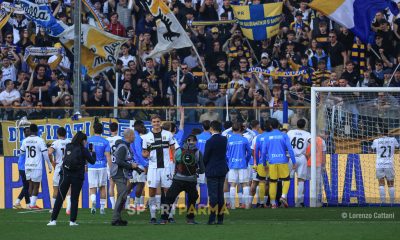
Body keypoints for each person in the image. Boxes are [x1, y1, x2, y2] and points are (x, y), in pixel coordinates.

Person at [48, 131, 96, 226]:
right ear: (82, 140)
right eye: (85, 140)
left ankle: (53, 220)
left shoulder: (68, 146)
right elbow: (92, 161)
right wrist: (93, 152)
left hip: (65, 174)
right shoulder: (83, 149)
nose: (86, 142)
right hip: (77, 176)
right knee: (74, 198)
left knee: (60, 198)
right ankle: (72, 221)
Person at [159, 135, 205, 224]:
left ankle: (164, 219)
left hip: (178, 179)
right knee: (192, 199)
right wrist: (196, 171)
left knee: (169, 198)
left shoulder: (178, 151)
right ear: (195, 142)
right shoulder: (198, 152)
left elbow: (175, 164)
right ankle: (190, 219)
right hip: (191, 180)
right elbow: (202, 170)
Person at [142, 115, 175, 224]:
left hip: (166, 167)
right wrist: (145, 154)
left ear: (160, 122)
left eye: (157, 121)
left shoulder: (168, 134)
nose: (156, 123)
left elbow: (173, 148)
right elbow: (144, 153)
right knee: (151, 191)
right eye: (154, 122)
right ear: (151, 123)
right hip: (153, 168)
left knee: (167, 191)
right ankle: (153, 216)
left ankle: (169, 215)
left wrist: (174, 162)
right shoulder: (146, 137)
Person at [260, 118, 297, 208]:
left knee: (273, 182)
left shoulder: (267, 136)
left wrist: (264, 164)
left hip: (272, 162)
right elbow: (290, 149)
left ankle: (273, 203)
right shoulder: (284, 135)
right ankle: (283, 196)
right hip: (283, 161)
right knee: (286, 180)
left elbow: (263, 152)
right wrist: (294, 161)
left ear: (271, 126)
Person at [20, 124, 53, 209]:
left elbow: (22, 153)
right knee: (36, 185)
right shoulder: (40, 140)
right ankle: (32, 204)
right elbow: (45, 154)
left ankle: (31, 204)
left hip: (27, 165)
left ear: (30, 130)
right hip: (36, 166)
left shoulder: (25, 140)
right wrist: (49, 165)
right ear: (37, 131)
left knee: (30, 184)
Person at [110, 128, 138, 226]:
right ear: (129, 136)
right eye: (133, 135)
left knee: (123, 196)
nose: (134, 136)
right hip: (119, 173)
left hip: (121, 173)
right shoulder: (123, 147)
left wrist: (134, 167)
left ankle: (118, 218)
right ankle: (115, 219)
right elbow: (119, 161)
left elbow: (124, 160)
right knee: (122, 196)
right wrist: (131, 166)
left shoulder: (125, 146)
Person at [204, 120, 228, 225]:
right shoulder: (224, 139)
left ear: (211, 128)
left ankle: (212, 218)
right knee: (220, 195)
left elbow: (206, 157)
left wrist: (203, 166)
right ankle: (220, 218)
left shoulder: (210, 141)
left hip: (212, 170)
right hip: (222, 169)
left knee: (213, 195)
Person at [87, 122, 111, 214]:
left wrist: (85, 165)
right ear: (102, 131)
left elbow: (87, 154)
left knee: (92, 187)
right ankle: (102, 208)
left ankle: (93, 202)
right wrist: (111, 168)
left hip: (91, 166)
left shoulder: (89, 140)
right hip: (102, 167)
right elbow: (108, 156)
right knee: (102, 187)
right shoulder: (105, 141)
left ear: (93, 130)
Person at [226, 122, 251, 209]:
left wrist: (228, 161)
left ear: (232, 130)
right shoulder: (244, 139)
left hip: (232, 164)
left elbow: (226, 153)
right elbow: (249, 152)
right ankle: (247, 205)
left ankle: (232, 206)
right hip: (242, 164)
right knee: (245, 184)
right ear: (240, 129)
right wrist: (246, 161)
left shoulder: (228, 140)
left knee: (232, 184)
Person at [371, 128, 399, 204]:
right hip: (389, 164)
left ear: (380, 133)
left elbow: (372, 148)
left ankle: (383, 202)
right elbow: (397, 146)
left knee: (381, 183)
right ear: (388, 133)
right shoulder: (393, 139)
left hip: (379, 164)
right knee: (391, 184)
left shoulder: (376, 141)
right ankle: (392, 202)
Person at [287, 119, 311, 207]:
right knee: (301, 180)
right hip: (301, 158)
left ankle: (284, 198)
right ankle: (299, 202)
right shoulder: (307, 134)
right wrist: (308, 155)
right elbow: (313, 143)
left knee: (288, 179)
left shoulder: (290, 132)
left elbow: (285, 142)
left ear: (296, 124)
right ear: (304, 125)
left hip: (291, 158)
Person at [48, 127, 71, 214]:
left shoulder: (56, 143)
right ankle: (68, 208)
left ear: (57, 134)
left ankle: (53, 208)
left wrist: (52, 162)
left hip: (59, 168)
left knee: (56, 189)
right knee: (69, 188)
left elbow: (49, 152)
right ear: (65, 134)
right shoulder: (69, 142)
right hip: (68, 168)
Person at [130, 120, 149, 211]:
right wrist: (145, 164)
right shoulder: (137, 137)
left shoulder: (131, 136)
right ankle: (136, 205)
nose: (143, 128)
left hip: (132, 163)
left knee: (132, 184)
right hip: (138, 164)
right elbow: (138, 152)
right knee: (140, 184)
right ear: (137, 126)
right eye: (142, 126)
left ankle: (124, 202)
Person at [13, 127, 31, 209]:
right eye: (27, 131)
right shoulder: (24, 141)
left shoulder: (27, 141)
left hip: (24, 166)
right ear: (24, 133)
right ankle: (18, 201)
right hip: (23, 166)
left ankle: (27, 204)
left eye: (29, 131)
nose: (28, 132)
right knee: (27, 186)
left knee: (26, 186)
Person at [106, 122, 122, 210]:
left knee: (111, 185)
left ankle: (113, 205)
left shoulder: (107, 140)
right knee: (121, 184)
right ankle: (120, 205)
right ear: (117, 128)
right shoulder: (121, 139)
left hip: (110, 163)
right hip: (119, 163)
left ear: (109, 130)